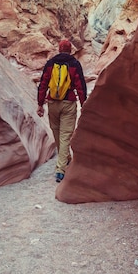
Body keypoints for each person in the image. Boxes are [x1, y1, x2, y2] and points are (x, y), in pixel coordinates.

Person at [36, 39, 87, 182]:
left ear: (59, 49)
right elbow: (80, 86)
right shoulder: (75, 64)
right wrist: (84, 104)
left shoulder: (51, 63)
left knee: (58, 134)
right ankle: (60, 169)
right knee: (64, 135)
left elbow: (43, 84)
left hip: (52, 103)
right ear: (70, 50)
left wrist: (40, 104)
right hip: (69, 103)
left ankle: (65, 160)